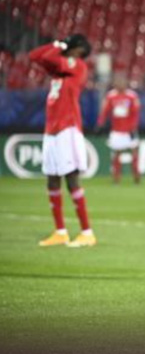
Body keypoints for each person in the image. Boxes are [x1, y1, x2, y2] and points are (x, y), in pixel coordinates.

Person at [29, 34, 96, 247]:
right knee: (52, 179)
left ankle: (87, 232)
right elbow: (35, 56)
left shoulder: (77, 65)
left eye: (70, 46)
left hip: (68, 128)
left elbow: (48, 58)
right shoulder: (60, 71)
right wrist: (56, 44)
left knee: (71, 178)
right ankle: (60, 232)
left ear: (78, 50)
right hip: (51, 130)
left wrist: (59, 45)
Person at [97, 70, 141, 183]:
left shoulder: (132, 96)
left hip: (129, 130)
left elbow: (135, 113)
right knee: (116, 154)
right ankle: (116, 177)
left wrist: (133, 127)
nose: (120, 83)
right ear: (114, 83)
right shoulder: (111, 96)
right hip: (116, 130)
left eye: (122, 81)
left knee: (134, 153)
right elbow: (104, 111)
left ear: (126, 82)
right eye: (118, 81)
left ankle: (136, 175)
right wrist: (100, 124)